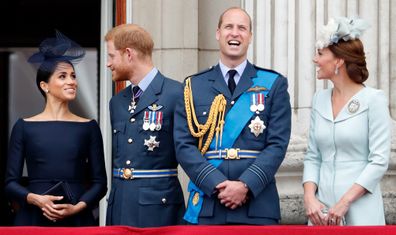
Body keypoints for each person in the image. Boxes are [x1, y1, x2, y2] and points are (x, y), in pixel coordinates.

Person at [174, 7, 291, 225]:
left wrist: (245, 185)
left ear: (250, 37)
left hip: (257, 205)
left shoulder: (273, 84)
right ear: (218, 33)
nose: (235, 33)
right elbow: (183, 145)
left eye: (242, 28)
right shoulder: (193, 86)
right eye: (229, 27)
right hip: (210, 204)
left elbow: (277, 145)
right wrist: (217, 184)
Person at [5, 31, 107, 226]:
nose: (72, 81)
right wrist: (35, 199)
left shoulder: (89, 127)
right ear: (45, 86)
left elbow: (100, 183)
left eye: (73, 76)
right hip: (33, 217)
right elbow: (10, 183)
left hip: (77, 217)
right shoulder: (24, 127)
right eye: (63, 76)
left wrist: (77, 207)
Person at [303, 17, 391, 226]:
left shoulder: (374, 100)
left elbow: (379, 161)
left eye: (321, 54)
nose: (315, 59)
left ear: (339, 61)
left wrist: (345, 202)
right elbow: (313, 156)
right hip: (321, 212)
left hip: (361, 210)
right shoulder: (319, 100)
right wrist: (309, 199)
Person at [104, 24, 185, 227]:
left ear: (128, 54)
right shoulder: (118, 101)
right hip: (120, 205)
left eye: (112, 56)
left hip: (158, 208)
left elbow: (192, 152)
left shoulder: (177, 93)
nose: (108, 63)